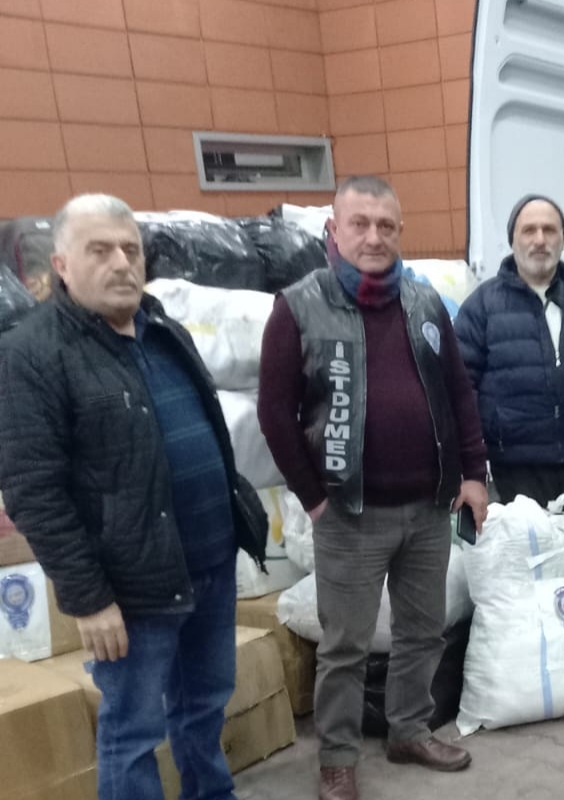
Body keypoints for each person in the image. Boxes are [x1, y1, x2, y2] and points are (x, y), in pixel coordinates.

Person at [0, 194, 268, 800]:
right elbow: (31, 490)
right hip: (132, 587)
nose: (122, 263)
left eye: (131, 249)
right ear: (62, 264)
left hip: (208, 562)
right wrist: (90, 598)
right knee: (133, 729)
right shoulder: (33, 355)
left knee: (204, 704)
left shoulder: (161, 327)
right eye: (101, 250)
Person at [257, 175, 489, 800]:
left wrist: (473, 475)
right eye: (359, 223)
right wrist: (314, 497)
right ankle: (337, 758)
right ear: (333, 231)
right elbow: (275, 413)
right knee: (345, 647)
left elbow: (459, 394)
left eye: (386, 225)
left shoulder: (423, 301)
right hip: (350, 514)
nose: (373, 236)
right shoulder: (298, 306)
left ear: (399, 232)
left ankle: (408, 730)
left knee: (423, 631)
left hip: (428, 507)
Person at [454, 195, 564, 543]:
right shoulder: (482, 306)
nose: (540, 239)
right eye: (529, 230)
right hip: (515, 465)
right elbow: (460, 387)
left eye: (549, 230)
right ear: (513, 240)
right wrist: (470, 460)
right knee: (524, 573)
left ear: (563, 239)